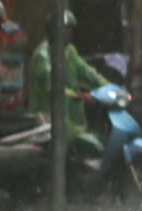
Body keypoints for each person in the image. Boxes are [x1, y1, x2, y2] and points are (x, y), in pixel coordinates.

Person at [27, 11, 110, 150]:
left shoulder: (69, 51)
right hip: (46, 117)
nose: (69, 33)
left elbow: (87, 72)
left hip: (69, 116)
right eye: (66, 29)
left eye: (70, 29)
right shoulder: (42, 55)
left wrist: (108, 85)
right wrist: (76, 95)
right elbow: (51, 86)